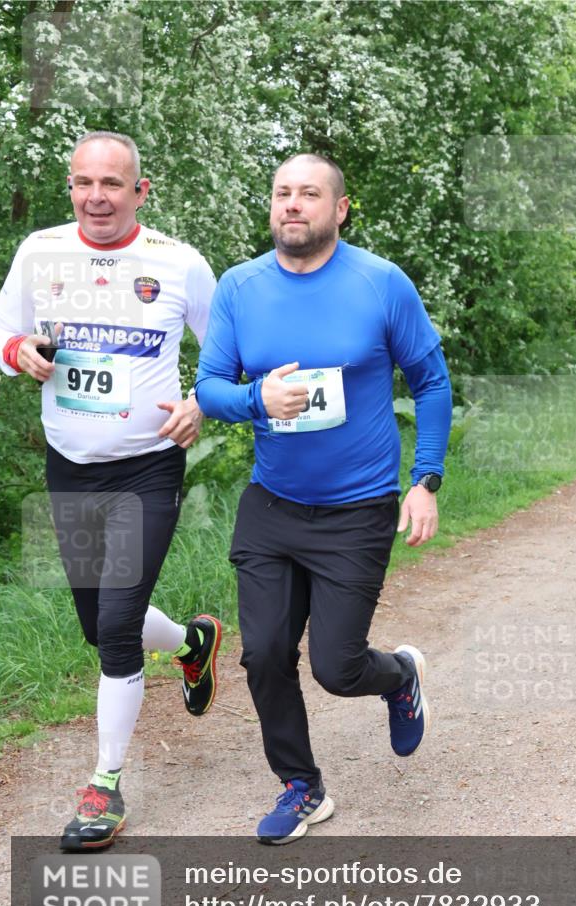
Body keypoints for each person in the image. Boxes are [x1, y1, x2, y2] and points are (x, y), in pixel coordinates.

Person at [196, 153, 452, 845]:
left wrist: (424, 480)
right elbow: (209, 387)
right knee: (263, 653)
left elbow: (430, 382)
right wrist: (256, 398)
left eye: (309, 194)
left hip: (357, 507)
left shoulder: (379, 283)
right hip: (272, 503)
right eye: (282, 193)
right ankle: (301, 786)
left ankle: (398, 676)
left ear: (338, 209)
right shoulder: (240, 287)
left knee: (337, 669)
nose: (292, 205)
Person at [0, 131, 222, 851]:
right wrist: (15, 351)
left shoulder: (179, 263)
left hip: (148, 465)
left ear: (139, 192)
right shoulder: (40, 250)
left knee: (116, 628)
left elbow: (225, 351)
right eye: (85, 182)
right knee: (98, 625)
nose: (98, 196)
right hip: (70, 464)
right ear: (70, 187)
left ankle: (104, 786)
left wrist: (201, 402)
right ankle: (192, 643)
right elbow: (0, 327)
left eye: (113, 184)